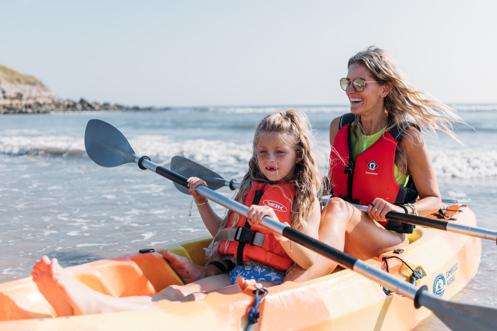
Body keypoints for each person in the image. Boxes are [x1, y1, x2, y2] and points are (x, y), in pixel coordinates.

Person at [31, 109, 322, 316]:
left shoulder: (305, 198)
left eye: (279, 152)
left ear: (298, 154)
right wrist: (201, 201)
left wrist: (276, 229)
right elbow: (223, 232)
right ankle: (97, 305)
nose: (269, 160)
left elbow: (309, 259)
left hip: (269, 281)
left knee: (200, 302)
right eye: (262, 152)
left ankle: (102, 311)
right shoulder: (249, 187)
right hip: (235, 271)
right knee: (177, 293)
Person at [286, 46, 463, 282]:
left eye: (360, 84)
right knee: (321, 207)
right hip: (343, 228)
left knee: (338, 207)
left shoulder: (408, 138)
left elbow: (434, 200)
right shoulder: (338, 128)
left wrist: (401, 210)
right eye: (347, 83)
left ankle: (288, 287)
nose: (350, 90)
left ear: (384, 88)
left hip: (386, 237)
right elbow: (335, 180)